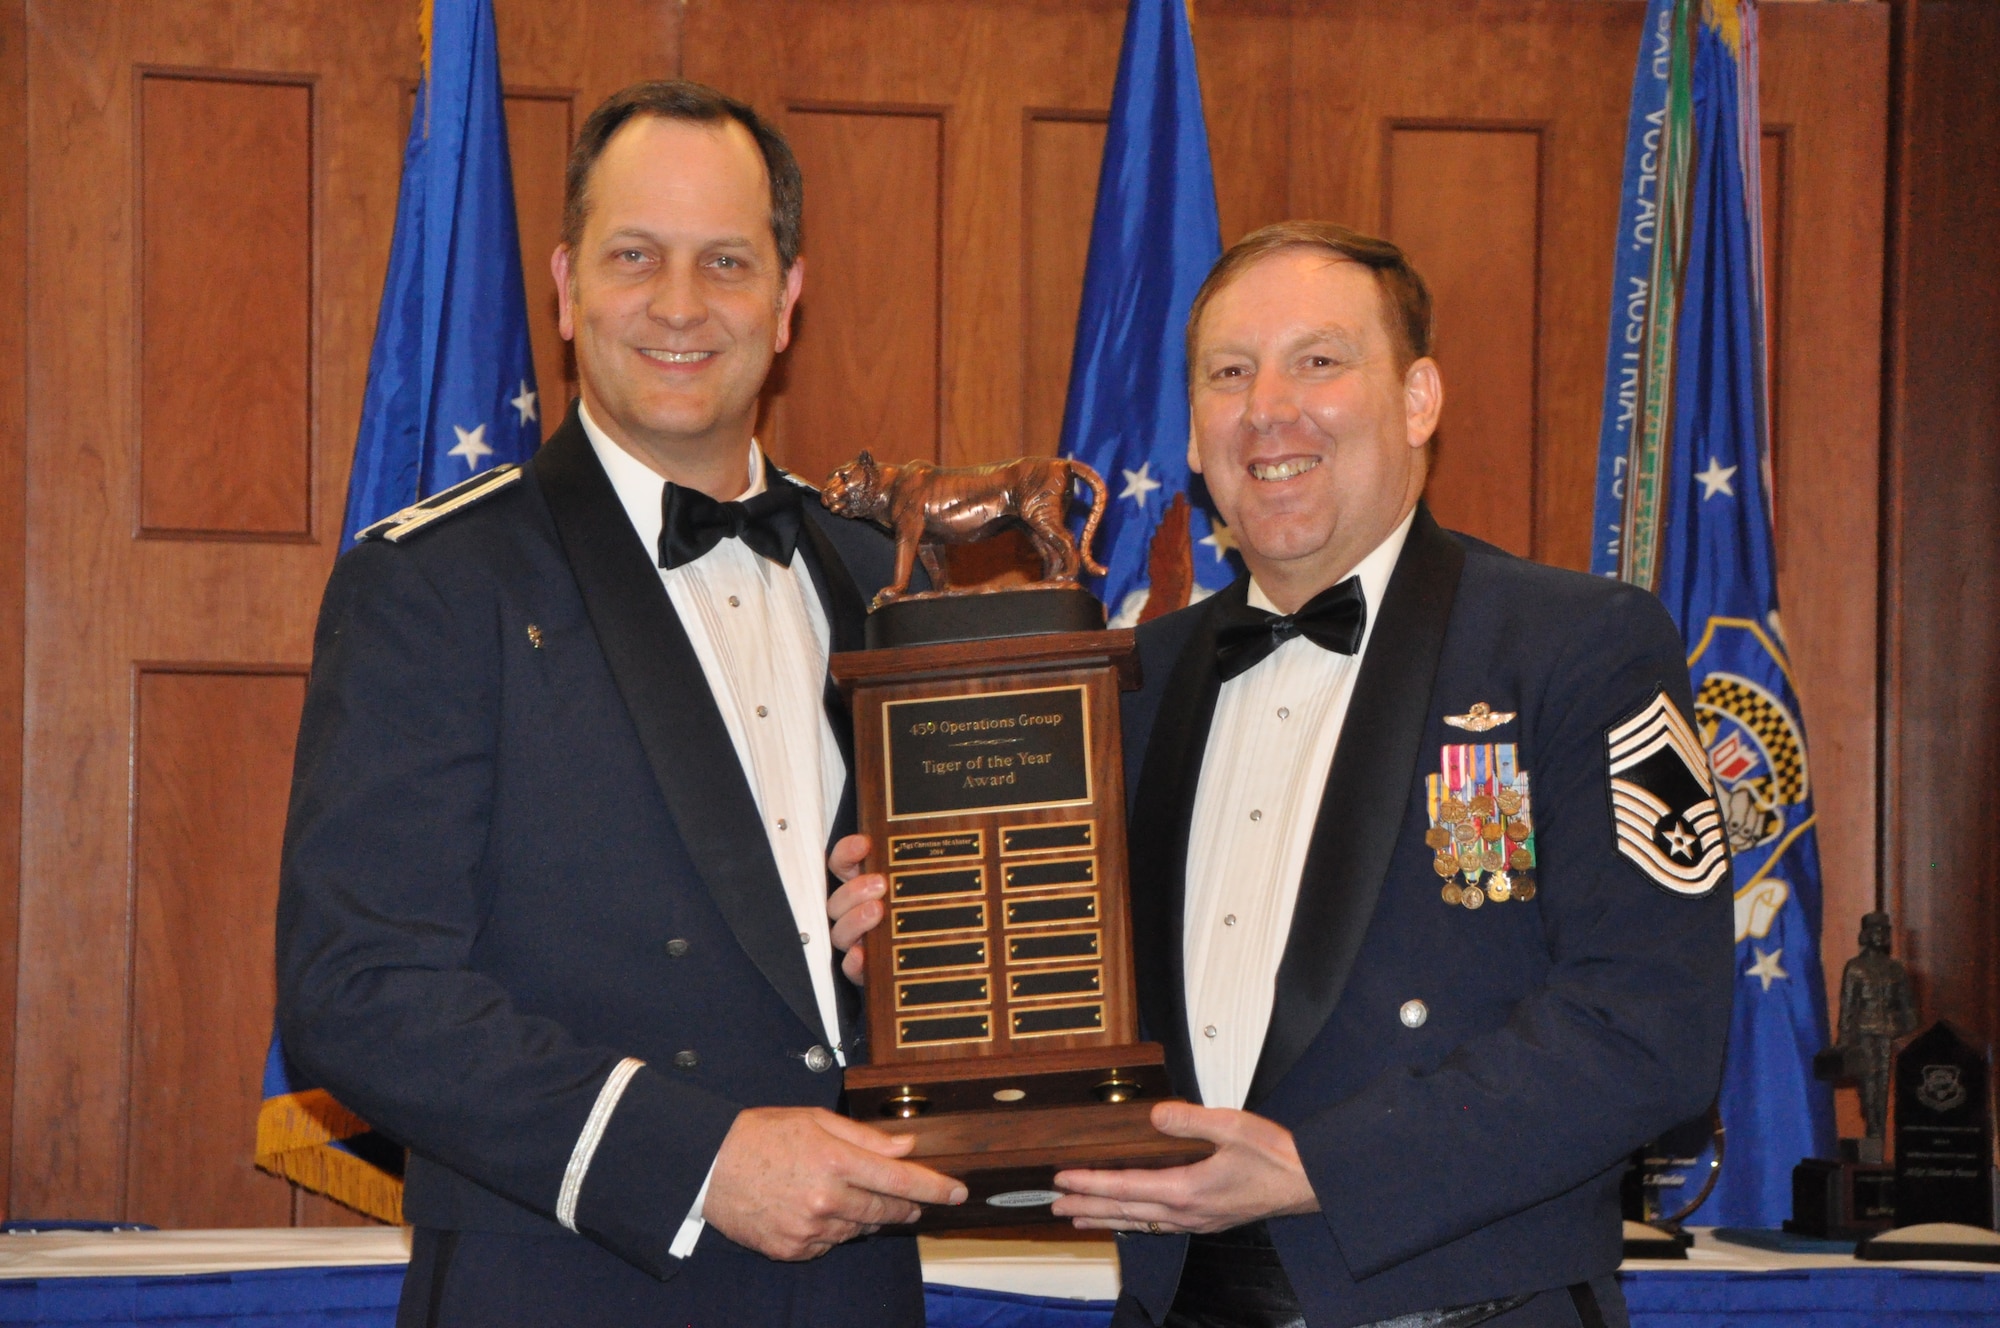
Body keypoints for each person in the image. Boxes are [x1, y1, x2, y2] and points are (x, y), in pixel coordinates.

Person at [276, 80, 961, 1328]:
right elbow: (357, 988)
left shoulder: (888, 578)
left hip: (858, 1287)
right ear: (563, 285)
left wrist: (911, 965)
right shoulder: (434, 583)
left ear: (788, 296)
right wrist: (697, 1160)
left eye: (727, 261)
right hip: (566, 1280)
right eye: (635, 256)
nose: (682, 304)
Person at [1026, 222, 1732, 1327]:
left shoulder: (1575, 647)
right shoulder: (1126, 682)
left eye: (1317, 360)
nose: (1267, 408)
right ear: (1196, 437)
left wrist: (1324, 1164)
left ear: (1416, 400)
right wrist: (922, 933)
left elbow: (1649, 1026)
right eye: (1227, 373)